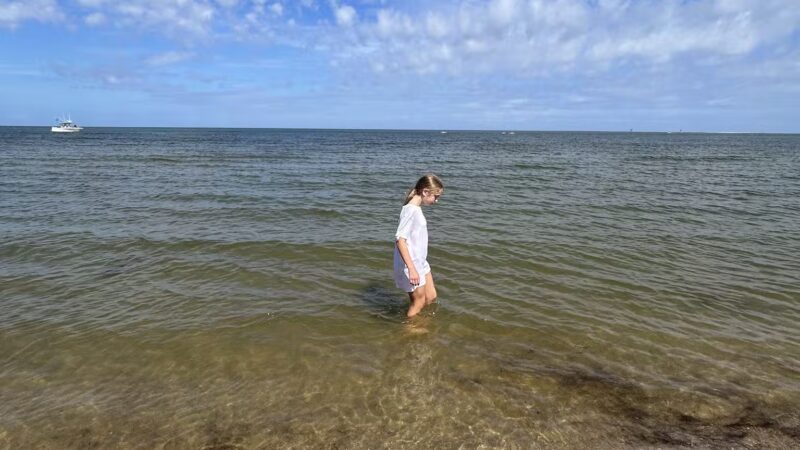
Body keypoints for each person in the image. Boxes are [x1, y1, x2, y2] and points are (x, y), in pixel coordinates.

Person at [393, 174, 444, 318]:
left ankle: (419, 321)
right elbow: (400, 240)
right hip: (411, 264)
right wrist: (412, 269)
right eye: (436, 196)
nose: (437, 200)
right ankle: (410, 330)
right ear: (425, 192)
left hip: (420, 261)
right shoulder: (410, 210)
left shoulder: (416, 208)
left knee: (431, 296)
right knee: (419, 301)